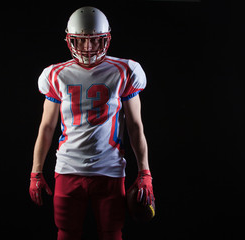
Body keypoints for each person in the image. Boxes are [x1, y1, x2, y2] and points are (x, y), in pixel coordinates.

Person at [29, 6, 155, 240]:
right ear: (70, 40)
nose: (88, 48)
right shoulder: (56, 74)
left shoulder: (125, 70)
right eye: (81, 41)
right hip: (68, 168)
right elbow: (46, 127)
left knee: (112, 234)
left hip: (110, 169)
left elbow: (135, 126)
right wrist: (36, 172)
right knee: (66, 234)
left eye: (95, 41)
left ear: (105, 40)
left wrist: (144, 171)